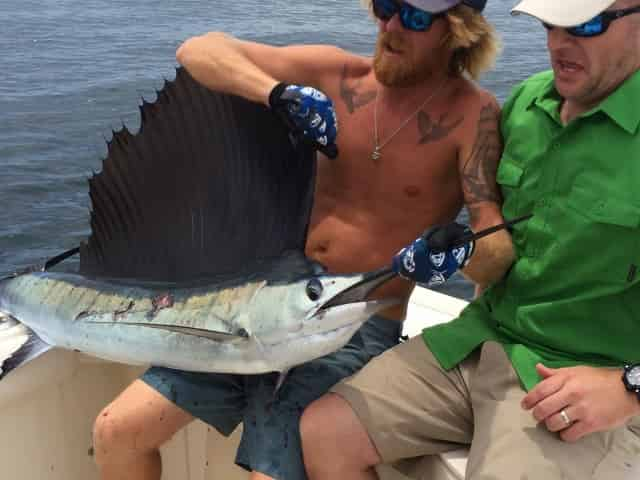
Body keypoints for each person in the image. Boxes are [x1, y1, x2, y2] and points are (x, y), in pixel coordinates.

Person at [91, 1, 510, 479]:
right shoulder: (335, 75)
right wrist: (276, 94)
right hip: (265, 308)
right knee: (116, 430)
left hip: (354, 327)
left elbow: (492, 243)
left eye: (413, 18)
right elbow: (200, 51)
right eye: (385, 6)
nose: (390, 26)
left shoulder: (473, 116)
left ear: (457, 32)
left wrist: (462, 252)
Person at [300, 0, 640, 479]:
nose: (559, 43)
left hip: (579, 379)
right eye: (551, 24)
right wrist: (461, 254)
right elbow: (495, 247)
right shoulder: (525, 103)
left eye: (585, 25)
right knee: (322, 431)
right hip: (479, 341)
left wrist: (626, 388)